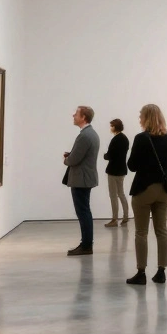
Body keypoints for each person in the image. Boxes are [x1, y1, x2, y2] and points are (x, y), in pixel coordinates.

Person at [125, 104, 167, 285]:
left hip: (143, 189)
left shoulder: (141, 138)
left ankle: (141, 273)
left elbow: (132, 166)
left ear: (146, 118)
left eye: (141, 116)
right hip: (163, 191)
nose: (139, 119)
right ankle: (161, 272)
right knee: (162, 231)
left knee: (141, 232)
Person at [63, 105, 101, 256]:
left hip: (81, 179)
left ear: (83, 117)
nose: (73, 116)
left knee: (83, 212)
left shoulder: (85, 136)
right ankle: (86, 244)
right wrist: (72, 155)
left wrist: (66, 160)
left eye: (76, 114)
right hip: (85, 178)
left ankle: (86, 245)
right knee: (85, 211)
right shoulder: (91, 134)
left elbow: (74, 160)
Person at [103, 118, 130, 227]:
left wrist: (105, 155)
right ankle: (126, 216)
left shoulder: (115, 140)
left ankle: (114, 219)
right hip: (122, 170)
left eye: (111, 126)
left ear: (115, 127)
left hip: (113, 170)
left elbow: (109, 155)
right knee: (121, 193)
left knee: (113, 195)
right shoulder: (125, 139)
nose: (110, 128)